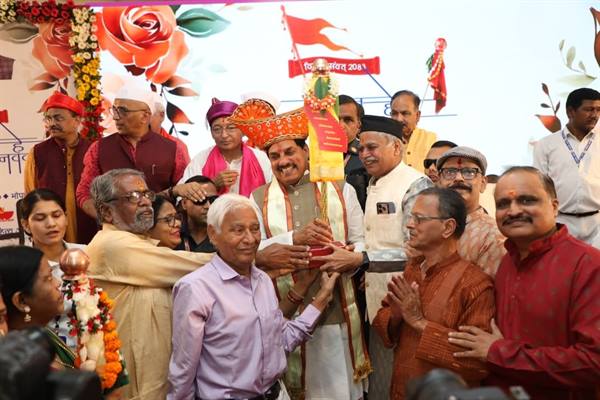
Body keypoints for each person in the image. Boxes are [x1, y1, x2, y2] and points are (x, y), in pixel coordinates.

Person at [233, 99, 370, 400]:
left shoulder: (340, 189)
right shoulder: (257, 199)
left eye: (289, 152)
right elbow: (250, 251)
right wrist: (294, 237)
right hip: (285, 314)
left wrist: (348, 257)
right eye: (274, 156)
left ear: (306, 152)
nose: (282, 161)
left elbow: (361, 241)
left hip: (336, 309)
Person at [167, 194, 340, 400]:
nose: (250, 239)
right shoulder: (196, 288)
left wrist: (321, 299)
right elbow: (184, 370)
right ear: (213, 234)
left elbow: (280, 342)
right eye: (238, 230)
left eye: (255, 229)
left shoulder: (262, 280)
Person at [448, 166, 600, 399]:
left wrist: (499, 353)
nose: (513, 211)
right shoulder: (507, 261)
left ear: (554, 206)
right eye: (503, 204)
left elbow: (592, 362)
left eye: (527, 200)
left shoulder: (588, 265)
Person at [85, 168, 213, 400]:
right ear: (106, 211)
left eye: (146, 194)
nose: (145, 202)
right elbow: (192, 266)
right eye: (133, 196)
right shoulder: (110, 245)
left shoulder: (140, 241)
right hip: (137, 383)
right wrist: (248, 258)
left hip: (160, 376)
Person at [372, 188, 495, 399]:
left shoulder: (475, 285)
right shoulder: (413, 269)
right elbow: (382, 322)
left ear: (447, 227)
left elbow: (475, 364)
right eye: (412, 217)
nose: (410, 225)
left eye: (419, 219)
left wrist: (419, 323)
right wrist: (396, 315)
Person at [357, 115, 432, 400]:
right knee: (382, 382)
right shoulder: (374, 182)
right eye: (361, 149)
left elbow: (418, 249)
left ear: (397, 148)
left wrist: (363, 260)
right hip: (378, 304)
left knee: (403, 382)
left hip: (407, 305)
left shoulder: (414, 184)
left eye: (372, 147)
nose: (365, 154)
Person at [76, 84, 205, 220]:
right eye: (114, 110)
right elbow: (84, 193)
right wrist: (109, 218)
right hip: (116, 230)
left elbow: (184, 191)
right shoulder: (99, 148)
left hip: (160, 228)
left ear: (144, 116)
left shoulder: (173, 148)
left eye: (123, 111)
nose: (115, 117)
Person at [24, 91, 97, 243]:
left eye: (58, 118)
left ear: (76, 120)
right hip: (50, 230)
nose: (52, 123)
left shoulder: (93, 150)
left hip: (90, 229)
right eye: (48, 118)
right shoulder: (38, 152)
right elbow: (31, 194)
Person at [533, 87, 600, 248]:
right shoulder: (546, 145)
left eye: (598, 110)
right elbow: (539, 188)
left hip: (597, 224)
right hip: (560, 223)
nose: (595, 115)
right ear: (570, 112)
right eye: (589, 109)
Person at [19, 189, 85, 349]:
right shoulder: (21, 266)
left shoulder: (86, 254)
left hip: (96, 348)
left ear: (66, 218)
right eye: (40, 218)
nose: (51, 224)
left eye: (56, 215)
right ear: (26, 224)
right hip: (44, 353)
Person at [179, 98, 272, 197]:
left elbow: (275, 193)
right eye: (217, 129)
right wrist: (213, 184)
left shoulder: (261, 158)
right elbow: (182, 196)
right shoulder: (201, 160)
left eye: (231, 128)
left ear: (243, 130)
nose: (224, 135)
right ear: (211, 133)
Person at [436, 146, 506, 276]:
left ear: (483, 183)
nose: (458, 178)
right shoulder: (429, 226)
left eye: (469, 172)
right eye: (450, 172)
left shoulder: (493, 236)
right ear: (439, 181)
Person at [389, 90, 437, 173]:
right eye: (394, 113)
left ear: (417, 115)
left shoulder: (431, 139)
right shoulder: (385, 142)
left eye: (405, 113)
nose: (399, 119)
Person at [339, 94, 369, 211]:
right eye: (335, 119)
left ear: (358, 125)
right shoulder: (316, 160)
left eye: (348, 120)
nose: (341, 125)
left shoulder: (368, 157)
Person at [176, 175, 218, 253]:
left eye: (213, 200)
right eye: (200, 199)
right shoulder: (173, 232)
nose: (208, 206)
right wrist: (174, 191)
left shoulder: (223, 235)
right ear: (184, 203)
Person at [150, 92, 191, 165]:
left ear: (162, 115)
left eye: (148, 115)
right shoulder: (131, 142)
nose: (143, 121)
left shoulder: (177, 147)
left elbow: (186, 172)